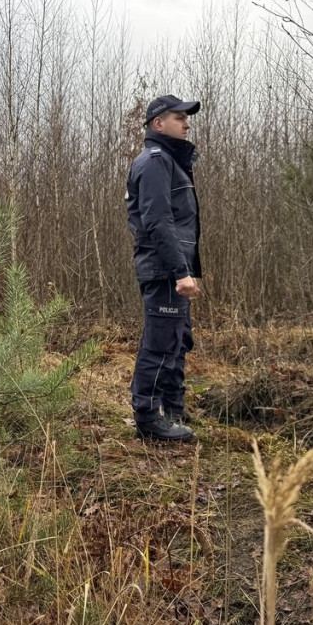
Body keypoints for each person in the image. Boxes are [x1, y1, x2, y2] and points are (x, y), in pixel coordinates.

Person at [125, 95, 202, 442]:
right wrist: (179, 271)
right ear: (158, 123)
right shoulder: (155, 162)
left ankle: (172, 410)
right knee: (159, 343)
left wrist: (187, 269)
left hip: (173, 269)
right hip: (164, 270)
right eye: (179, 117)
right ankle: (147, 420)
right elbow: (157, 221)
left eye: (187, 118)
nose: (186, 123)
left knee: (177, 340)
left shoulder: (170, 162)